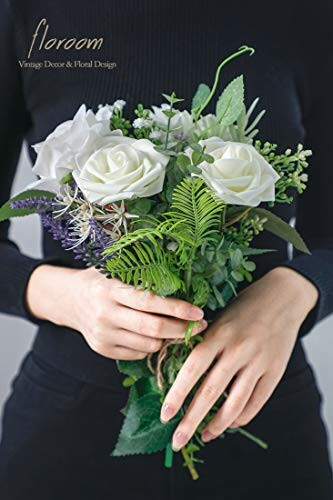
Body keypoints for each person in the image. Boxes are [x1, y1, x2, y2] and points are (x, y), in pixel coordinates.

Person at [0, 0, 332, 498]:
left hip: (265, 425)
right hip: (68, 438)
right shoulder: (27, 13)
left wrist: (293, 292)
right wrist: (65, 297)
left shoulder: (307, 14)